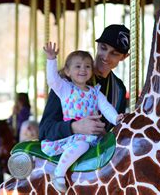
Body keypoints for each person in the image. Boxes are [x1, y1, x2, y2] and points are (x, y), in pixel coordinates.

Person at [41, 42, 123, 192]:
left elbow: (106, 108)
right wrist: (51, 59)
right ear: (67, 71)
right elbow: (52, 80)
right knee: (82, 146)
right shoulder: (65, 88)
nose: (83, 70)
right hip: (74, 138)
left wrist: (117, 119)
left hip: (92, 137)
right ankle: (59, 174)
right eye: (77, 66)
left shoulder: (95, 92)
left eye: (87, 66)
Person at [39, 24, 130, 143]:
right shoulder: (67, 80)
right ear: (97, 46)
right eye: (103, 48)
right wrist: (74, 127)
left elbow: (117, 131)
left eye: (114, 53)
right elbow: (45, 131)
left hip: (102, 154)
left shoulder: (119, 89)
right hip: (71, 150)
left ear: (124, 57)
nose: (106, 57)